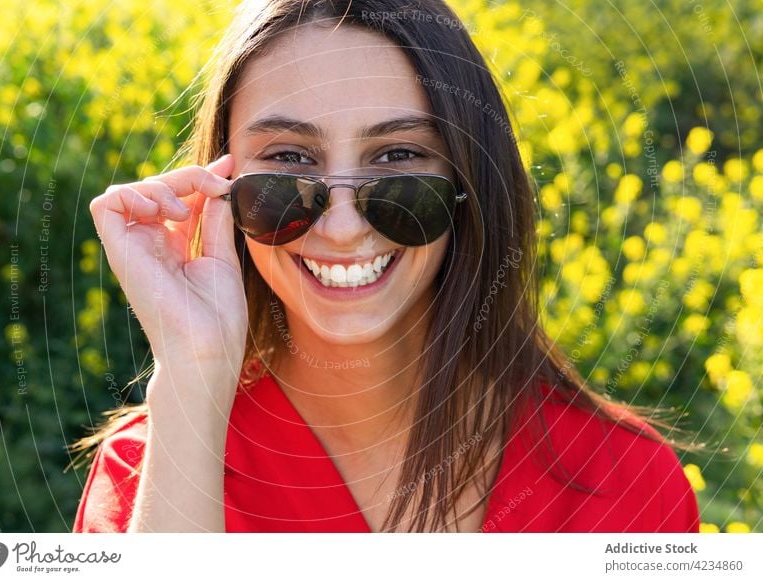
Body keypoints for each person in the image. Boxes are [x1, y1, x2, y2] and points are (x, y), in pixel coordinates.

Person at [70, 0, 700, 533]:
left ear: (471, 181)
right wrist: (191, 366)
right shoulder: (156, 466)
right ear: (221, 185)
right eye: (288, 158)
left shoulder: (628, 482)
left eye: (398, 155)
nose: (342, 228)